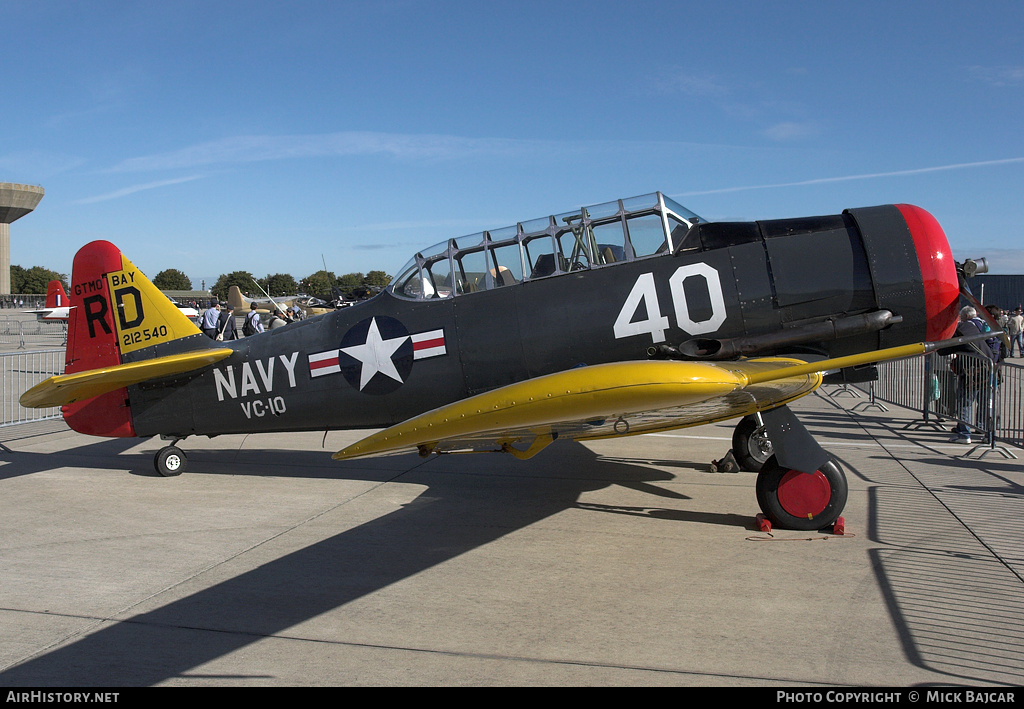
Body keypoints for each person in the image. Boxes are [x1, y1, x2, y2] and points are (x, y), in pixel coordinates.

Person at [949, 306, 999, 444]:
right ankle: (984, 430)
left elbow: (960, 345)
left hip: (974, 369)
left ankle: (965, 433)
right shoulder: (984, 324)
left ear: (965, 316)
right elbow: (995, 345)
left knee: (965, 402)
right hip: (988, 368)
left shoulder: (967, 327)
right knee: (985, 402)